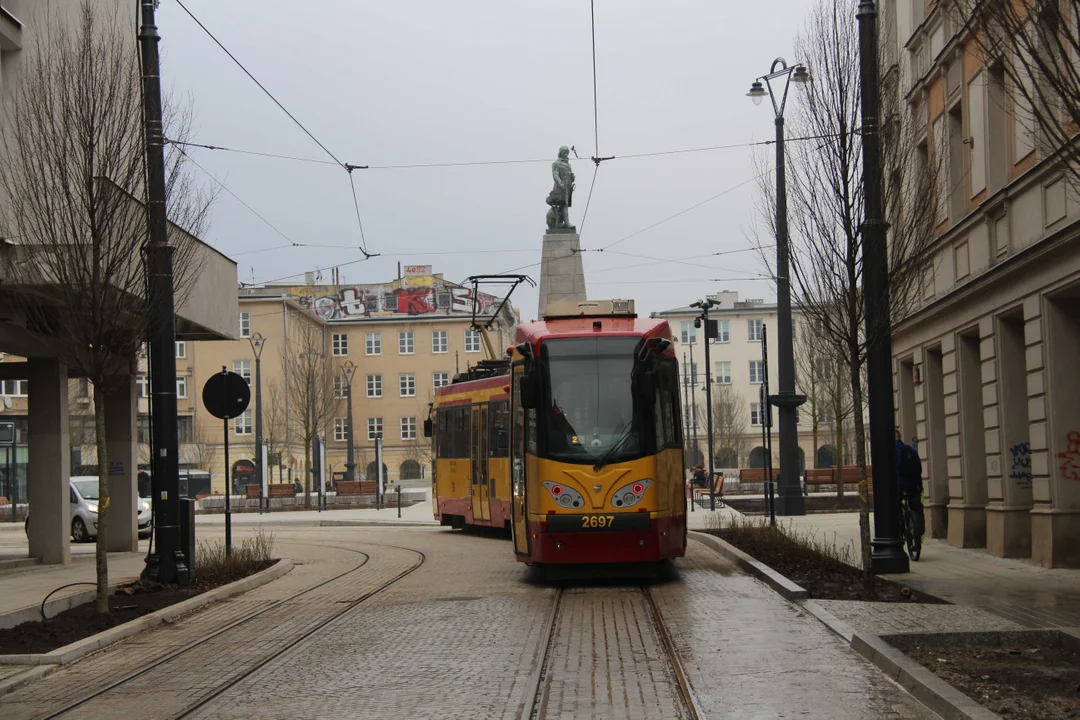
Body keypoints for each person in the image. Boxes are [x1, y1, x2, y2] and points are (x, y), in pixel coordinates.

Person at [896, 429, 925, 538]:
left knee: (893, 506)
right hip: (915, 484)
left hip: (899, 484)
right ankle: (919, 531)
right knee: (917, 509)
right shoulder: (911, 449)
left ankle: (899, 531)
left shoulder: (890, 451)